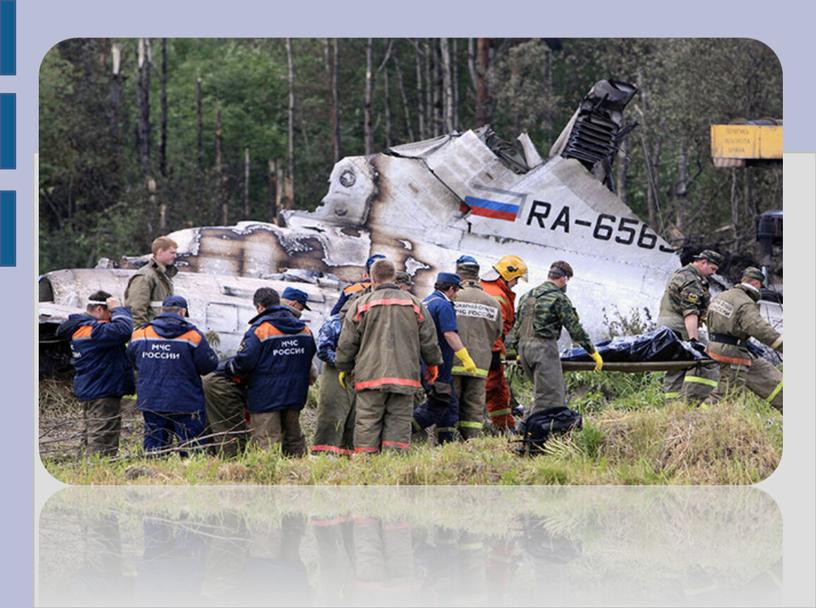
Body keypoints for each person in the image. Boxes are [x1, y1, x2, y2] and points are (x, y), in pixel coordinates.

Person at [335, 259, 442, 453]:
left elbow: (347, 342)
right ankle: (394, 463)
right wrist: (434, 364)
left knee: (367, 420)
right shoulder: (414, 303)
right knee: (400, 420)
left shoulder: (361, 304)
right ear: (393, 276)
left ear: (372, 278)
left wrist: (344, 367)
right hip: (405, 376)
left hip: (370, 375)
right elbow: (429, 339)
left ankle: (366, 464)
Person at [220, 287, 316, 455]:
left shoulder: (260, 330)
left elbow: (244, 363)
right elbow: (308, 360)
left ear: (260, 307)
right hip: (295, 394)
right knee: (294, 439)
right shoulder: (305, 330)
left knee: (267, 442)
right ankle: (299, 476)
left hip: (266, 397)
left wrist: (225, 369)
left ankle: (267, 478)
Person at [507, 261, 602, 417]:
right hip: (543, 349)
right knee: (550, 399)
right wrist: (592, 352)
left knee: (541, 393)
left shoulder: (527, 296)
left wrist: (518, 351)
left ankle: (532, 429)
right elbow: (574, 328)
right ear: (564, 279)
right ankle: (532, 433)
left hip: (524, 350)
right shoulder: (558, 298)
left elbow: (518, 325)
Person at [128, 295, 218, 453]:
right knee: (192, 450)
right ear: (182, 312)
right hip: (186, 401)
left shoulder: (140, 334)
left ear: (162, 310)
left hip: (152, 400)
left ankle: (153, 476)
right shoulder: (193, 336)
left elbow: (132, 361)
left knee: (154, 449)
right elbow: (208, 365)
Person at [55, 291, 134, 457]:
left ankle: (83, 466)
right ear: (99, 309)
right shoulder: (92, 330)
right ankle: (98, 468)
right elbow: (124, 330)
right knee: (102, 435)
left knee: (91, 431)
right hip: (102, 389)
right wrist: (119, 309)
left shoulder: (83, 328)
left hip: (93, 386)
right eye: (110, 313)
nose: (112, 318)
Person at [703, 267, 783, 412]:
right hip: (732, 353)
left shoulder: (722, 296)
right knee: (726, 395)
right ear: (756, 283)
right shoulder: (745, 303)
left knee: (770, 377)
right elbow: (759, 329)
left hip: (719, 348)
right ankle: (697, 421)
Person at [413, 272, 480, 444]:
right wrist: (465, 357)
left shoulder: (425, 302)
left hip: (423, 363)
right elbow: (449, 333)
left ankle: (445, 443)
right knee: (440, 403)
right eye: (456, 291)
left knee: (449, 406)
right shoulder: (444, 305)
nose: (456, 295)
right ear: (451, 288)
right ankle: (405, 429)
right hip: (437, 366)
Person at [657, 249, 723, 404]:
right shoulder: (692, 281)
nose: (713, 273)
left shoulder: (681, 273)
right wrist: (694, 340)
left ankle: (672, 407)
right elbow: (690, 313)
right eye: (712, 269)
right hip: (680, 328)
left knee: (676, 367)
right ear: (703, 262)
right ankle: (697, 401)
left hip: (667, 326)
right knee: (709, 360)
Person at [450, 256, 503, 440]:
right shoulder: (493, 303)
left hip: (454, 360)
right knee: (474, 405)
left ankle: (446, 442)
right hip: (480, 363)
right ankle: (471, 441)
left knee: (451, 401)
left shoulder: (452, 298)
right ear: (477, 275)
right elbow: (498, 333)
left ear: (459, 274)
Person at [480, 255, 528, 431]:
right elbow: (497, 328)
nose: (516, 283)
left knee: (498, 389)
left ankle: (504, 426)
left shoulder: (485, 287)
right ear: (508, 276)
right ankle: (501, 426)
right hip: (491, 348)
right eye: (516, 279)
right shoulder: (498, 295)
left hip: (478, 347)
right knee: (492, 388)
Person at [310, 312, 356, 456]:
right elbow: (323, 349)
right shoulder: (335, 322)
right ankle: (322, 455)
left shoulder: (369, 321)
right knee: (331, 415)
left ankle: (346, 456)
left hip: (359, 373)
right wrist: (343, 362)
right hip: (335, 371)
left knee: (354, 418)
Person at [124, 236, 179, 329]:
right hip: (151, 334)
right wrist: (141, 334)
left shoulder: (163, 276)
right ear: (160, 252)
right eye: (172, 253)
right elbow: (136, 309)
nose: (175, 256)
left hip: (161, 331)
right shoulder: (145, 276)